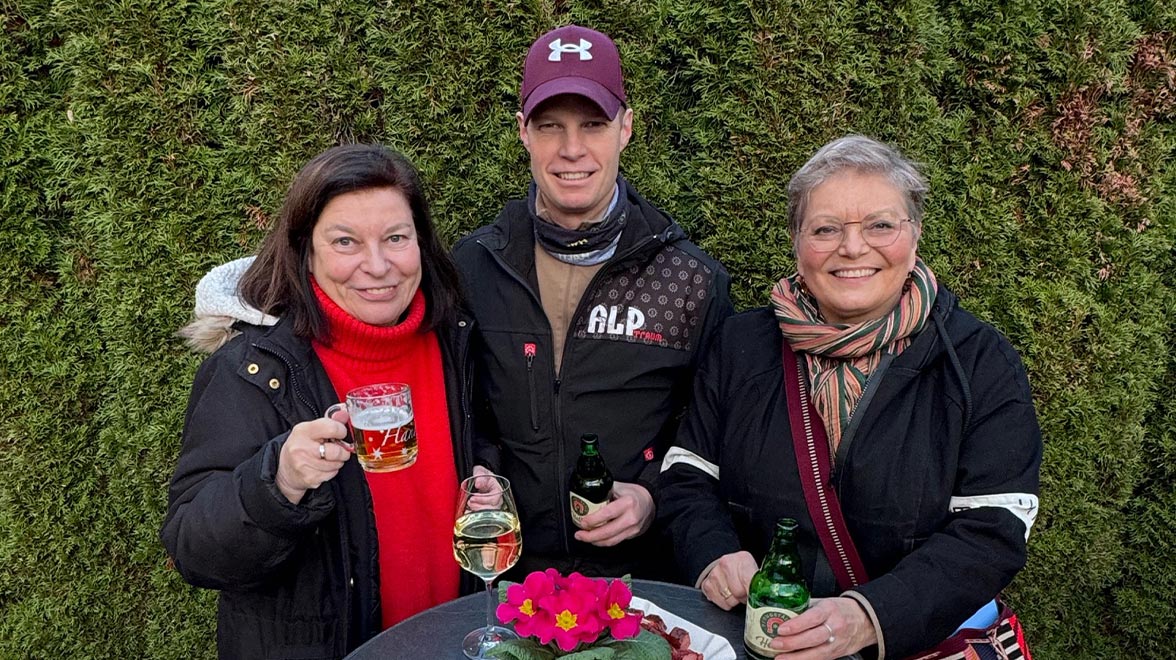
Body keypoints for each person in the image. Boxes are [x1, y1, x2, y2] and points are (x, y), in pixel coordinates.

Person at [658, 135, 1042, 659]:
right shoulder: (740, 347)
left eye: (881, 225)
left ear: (916, 234)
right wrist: (713, 553)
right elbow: (687, 475)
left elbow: (992, 529)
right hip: (758, 642)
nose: (853, 248)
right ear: (797, 241)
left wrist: (869, 616)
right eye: (826, 229)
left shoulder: (980, 362)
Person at [161, 144, 491, 658]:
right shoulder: (257, 368)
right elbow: (194, 551)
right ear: (306, 251)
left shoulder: (458, 340)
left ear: (421, 244)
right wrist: (280, 481)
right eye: (345, 242)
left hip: (452, 644)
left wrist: (488, 483)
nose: (377, 265)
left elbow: (478, 455)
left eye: (396, 238)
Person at [453, 25, 734, 579]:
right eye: (550, 126)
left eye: (593, 125)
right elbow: (457, 412)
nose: (572, 149)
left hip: (644, 580)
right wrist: (479, 473)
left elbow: (713, 433)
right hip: (504, 577)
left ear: (626, 129)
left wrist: (652, 497)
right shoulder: (473, 266)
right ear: (522, 133)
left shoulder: (689, 278)